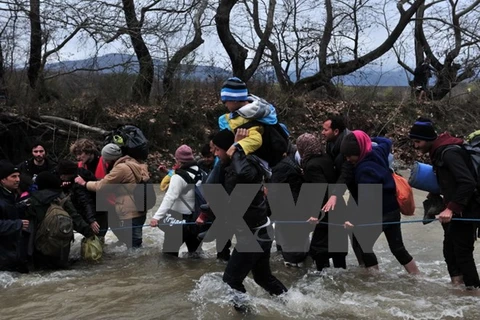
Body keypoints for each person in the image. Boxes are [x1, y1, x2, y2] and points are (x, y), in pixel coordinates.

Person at [209, 128, 287, 309]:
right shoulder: (233, 166)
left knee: (230, 280)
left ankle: (246, 315)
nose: (214, 153)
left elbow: (244, 175)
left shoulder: (246, 165)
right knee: (262, 278)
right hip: (260, 230)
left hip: (254, 234)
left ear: (228, 149)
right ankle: (290, 302)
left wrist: (237, 148)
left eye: (217, 150)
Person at [409, 118, 480, 288]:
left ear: (428, 139)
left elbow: (467, 182)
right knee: (450, 250)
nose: (415, 146)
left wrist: (451, 209)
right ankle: (458, 287)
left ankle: (474, 295)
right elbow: (448, 181)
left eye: (418, 141)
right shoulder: (439, 151)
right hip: (458, 209)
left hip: (468, 209)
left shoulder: (448, 153)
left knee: (462, 253)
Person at [340, 131, 419, 274]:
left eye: (349, 155)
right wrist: (368, 139)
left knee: (363, 244)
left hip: (379, 213)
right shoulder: (377, 151)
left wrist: (353, 220)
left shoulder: (364, 170)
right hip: (393, 209)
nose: (347, 159)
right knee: (398, 248)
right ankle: (417, 275)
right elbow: (387, 141)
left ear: (358, 152)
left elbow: (368, 200)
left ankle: (374, 279)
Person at [75, 143, 150, 249]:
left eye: (105, 158)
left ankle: (136, 263)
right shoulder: (133, 162)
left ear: (110, 158)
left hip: (129, 211)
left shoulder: (120, 169)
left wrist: (84, 183)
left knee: (133, 246)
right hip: (139, 207)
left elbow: (101, 186)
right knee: (134, 242)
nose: (103, 161)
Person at [28, 171, 94, 270]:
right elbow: (75, 218)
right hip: (60, 248)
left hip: (39, 249)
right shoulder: (61, 198)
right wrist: (90, 233)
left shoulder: (32, 201)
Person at [321, 115, 364, 266]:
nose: (322, 132)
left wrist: (334, 195)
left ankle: (365, 266)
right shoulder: (331, 143)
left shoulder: (347, 145)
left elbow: (346, 173)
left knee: (355, 231)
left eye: (325, 129)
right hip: (343, 190)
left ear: (336, 131)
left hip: (352, 191)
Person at [297, 134, 343, 271]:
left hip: (325, 210)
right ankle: (341, 273)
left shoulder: (311, 165)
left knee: (318, 248)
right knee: (337, 246)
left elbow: (320, 189)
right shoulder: (326, 158)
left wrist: (315, 214)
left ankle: (323, 276)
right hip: (338, 206)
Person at [149, 145, 204, 257]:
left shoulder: (178, 177)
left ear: (178, 160)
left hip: (178, 221)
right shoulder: (201, 172)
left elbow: (170, 197)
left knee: (169, 258)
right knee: (195, 257)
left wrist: (156, 217)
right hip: (196, 221)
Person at [218, 77, 280, 158]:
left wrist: (236, 146)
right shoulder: (257, 109)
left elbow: (256, 139)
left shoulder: (248, 119)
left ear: (235, 100)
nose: (225, 105)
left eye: (225, 101)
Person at [57, 160, 104, 238]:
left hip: (96, 213)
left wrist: (91, 220)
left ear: (68, 173)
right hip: (97, 210)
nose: (61, 177)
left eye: (63, 175)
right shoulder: (77, 176)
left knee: (95, 237)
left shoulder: (78, 183)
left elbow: (86, 201)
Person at [0, 161, 30, 273]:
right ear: (3, 179)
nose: (18, 179)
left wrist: (21, 207)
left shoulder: (9, 194)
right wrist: (18, 224)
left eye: (18, 176)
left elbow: (7, 211)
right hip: (4, 259)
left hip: (13, 255)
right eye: (13, 176)